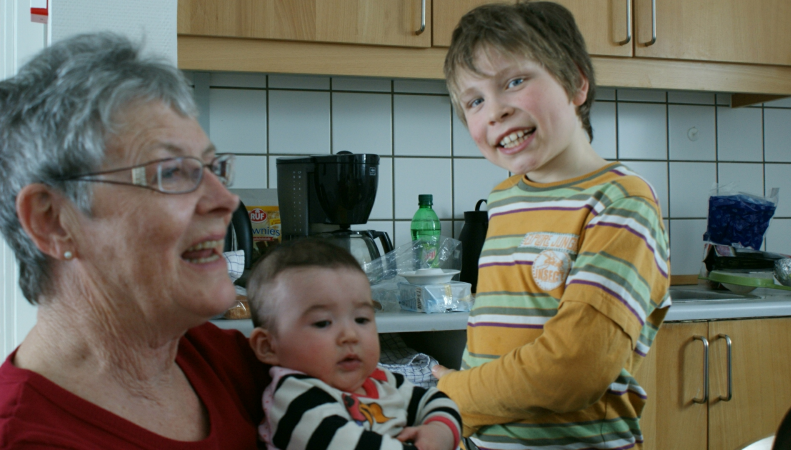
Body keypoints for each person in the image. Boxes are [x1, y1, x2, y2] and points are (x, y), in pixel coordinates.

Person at [0, 33, 270, 448]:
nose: (225, 199)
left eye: (213, 167)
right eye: (172, 173)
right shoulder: (28, 437)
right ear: (52, 221)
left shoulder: (236, 362)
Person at [431, 2, 671, 449]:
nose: (495, 111)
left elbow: (574, 370)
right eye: (475, 100)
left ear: (576, 83)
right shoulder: (504, 199)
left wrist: (456, 396)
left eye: (515, 81)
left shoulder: (621, 201)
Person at [246, 239, 462, 450]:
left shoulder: (380, 380)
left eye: (361, 319)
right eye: (323, 323)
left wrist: (440, 431)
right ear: (268, 346)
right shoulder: (294, 399)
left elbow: (433, 400)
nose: (350, 335)